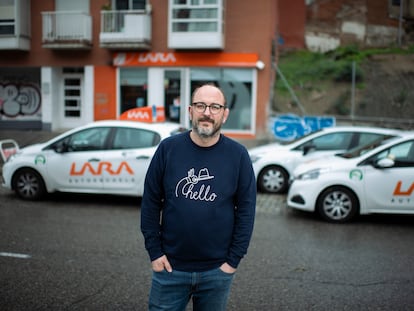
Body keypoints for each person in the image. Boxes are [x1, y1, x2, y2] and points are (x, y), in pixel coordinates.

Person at [140, 83, 256, 311]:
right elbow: (151, 202)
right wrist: (155, 252)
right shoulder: (168, 149)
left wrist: (232, 261)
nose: (207, 112)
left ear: (225, 114)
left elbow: (246, 210)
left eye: (215, 107)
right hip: (170, 268)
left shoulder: (238, 155)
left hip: (217, 271)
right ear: (190, 110)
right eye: (201, 105)